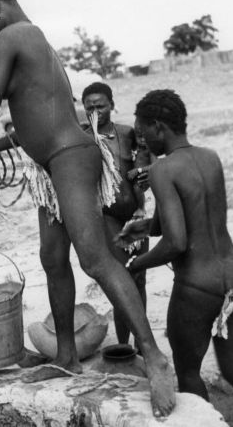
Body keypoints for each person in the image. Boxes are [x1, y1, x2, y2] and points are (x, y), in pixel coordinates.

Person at [0, 0, 175, 418]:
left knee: (95, 259)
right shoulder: (35, 43)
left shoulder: (14, 35)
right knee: (53, 258)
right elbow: (39, 113)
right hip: (54, 165)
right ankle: (67, 357)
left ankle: (154, 357)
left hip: (70, 158)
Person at [116, 89, 233, 417]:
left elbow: (177, 243)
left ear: (158, 127)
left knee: (188, 374)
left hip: (197, 287)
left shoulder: (162, 170)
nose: (142, 143)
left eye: (143, 134)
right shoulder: (210, 157)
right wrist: (143, 227)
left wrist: (135, 263)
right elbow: (195, 213)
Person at [80, 82, 150, 348]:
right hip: (107, 217)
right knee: (124, 278)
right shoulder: (82, 139)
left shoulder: (127, 133)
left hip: (136, 213)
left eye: (101, 106)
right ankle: (124, 346)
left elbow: (144, 162)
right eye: (90, 108)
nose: (96, 112)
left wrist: (144, 177)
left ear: (111, 104)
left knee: (140, 276)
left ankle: (141, 345)